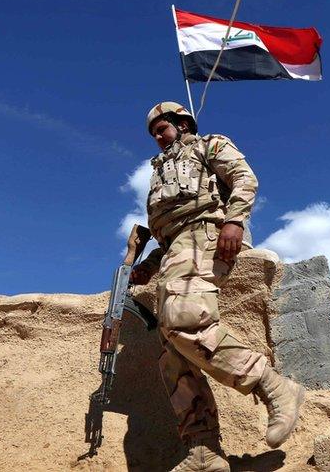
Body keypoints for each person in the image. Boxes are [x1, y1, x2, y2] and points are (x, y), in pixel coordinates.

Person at [130, 101, 306, 472]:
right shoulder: (159, 173)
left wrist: (235, 221)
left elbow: (244, 178)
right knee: (173, 351)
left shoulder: (208, 145)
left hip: (208, 233)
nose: (158, 139)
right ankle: (203, 449)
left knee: (183, 319)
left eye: (161, 130)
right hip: (177, 247)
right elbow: (166, 236)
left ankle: (271, 384)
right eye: (154, 134)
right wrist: (147, 264)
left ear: (181, 123)